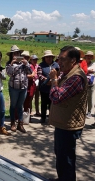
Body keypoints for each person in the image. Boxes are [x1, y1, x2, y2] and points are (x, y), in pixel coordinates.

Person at [49, 46, 87, 181]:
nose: (59, 62)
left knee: (66, 159)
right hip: (63, 123)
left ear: (73, 60)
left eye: (63, 59)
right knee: (61, 156)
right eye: (59, 58)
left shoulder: (76, 77)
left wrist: (54, 80)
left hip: (68, 126)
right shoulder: (68, 73)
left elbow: (56, 97)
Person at [6, 45, 32, 133]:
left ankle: (20, 124)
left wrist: (26, 64)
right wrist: (12, 64)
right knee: (13, 105)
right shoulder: (9, 63)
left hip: (23, 87)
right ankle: (13, 123)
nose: (16, 55)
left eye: (18, 53)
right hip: (14, 88)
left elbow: (30, 72)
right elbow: (9, 74)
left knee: (20, 106)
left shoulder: (23, 63)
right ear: (12, 55)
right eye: (14, 53)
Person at [37, 50, 59, 123]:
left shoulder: (56, 65)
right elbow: (39, 75)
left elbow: (60, 74)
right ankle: (43, 117)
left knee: (52, 103)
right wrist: (46, 80)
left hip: (53, 87)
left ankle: (51, 117)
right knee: (43, 103)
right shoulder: (41, 65)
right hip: (44, 88)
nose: (49, 58)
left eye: (50, 57)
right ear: (44, 58)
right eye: (47, 57)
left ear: (52, 57)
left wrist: (54, 80)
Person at [84, 51, 95, 119]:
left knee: (90, 98)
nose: (89, 57)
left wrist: (86, 71)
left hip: (91, 83)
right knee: (83, 98)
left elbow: (93, 71)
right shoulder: (83, 63)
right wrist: (88, 71)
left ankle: (89, 111)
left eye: (90, 56)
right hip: (83, 82)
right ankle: (83, 110)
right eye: (88, 56)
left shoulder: (94, 64)